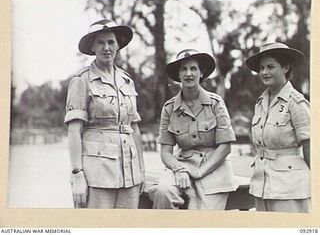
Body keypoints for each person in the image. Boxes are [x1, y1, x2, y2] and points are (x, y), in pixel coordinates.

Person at [64, 19, 145, 209]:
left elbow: (134, 128)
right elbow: (74, 131)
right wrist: (77, 175)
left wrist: (140, 169)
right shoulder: (82, 80)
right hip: (97, 173)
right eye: (100, 42)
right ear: (92, 47)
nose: (106, 47)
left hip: (129, 172)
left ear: (118, 45)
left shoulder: (127, 81)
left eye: (111, 42)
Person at [149, 49, 238, 209]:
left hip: (213, 167)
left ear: (201, 73)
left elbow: (225, 147)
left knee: (202, 219)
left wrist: (200, 172)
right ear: (178, 74)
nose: (188, 73)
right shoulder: (169, 108)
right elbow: (166, 152)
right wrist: (179, 169)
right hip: (183, 163)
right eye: (183, 69)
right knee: (163, 192)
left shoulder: (215, 103)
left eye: (193, 68)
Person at [245, 42, 310, 212]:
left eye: (271, 67)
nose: (264, 72)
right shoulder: (261, 103)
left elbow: (310, 145)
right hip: (261, 184)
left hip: (290, 187)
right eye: (262, 68)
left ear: (286, 68)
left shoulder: (296, 102)